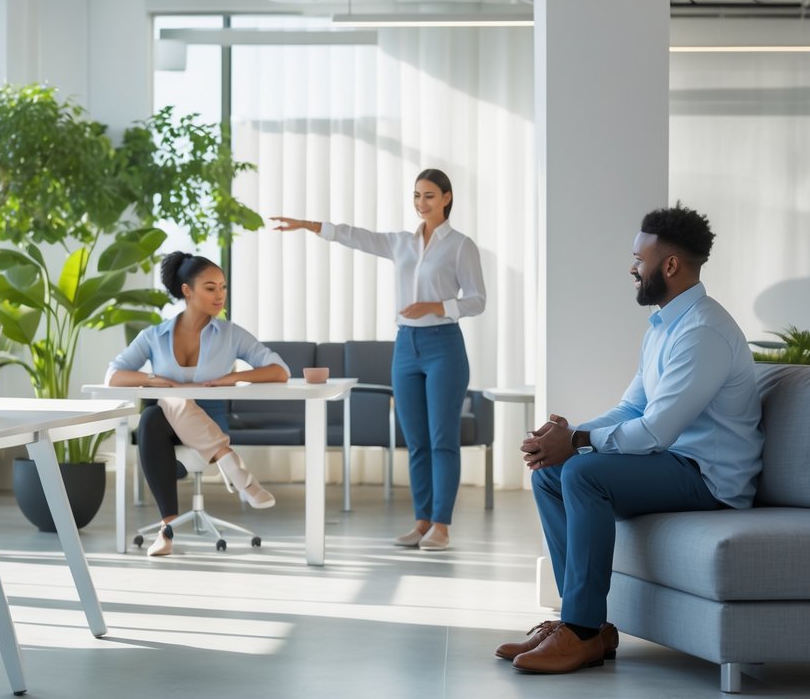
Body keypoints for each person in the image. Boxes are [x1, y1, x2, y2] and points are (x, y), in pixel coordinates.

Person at [500, 204, 763, 675]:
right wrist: (566, 435)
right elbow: (630, 409)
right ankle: (581, 624)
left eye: (639, 260)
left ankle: (581, 633)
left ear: (670, 266)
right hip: (673, 462)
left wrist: (578, 440)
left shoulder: (703, 331)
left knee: (582, 471)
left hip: (708, 478)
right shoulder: (665, 326)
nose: (632, 268)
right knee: (552, 473)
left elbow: (658, 429)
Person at [270, 168, 486, 551]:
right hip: (405, 346)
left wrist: (434, 305)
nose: (422, 203)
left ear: (447, 198)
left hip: (444, 346)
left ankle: (441, 525)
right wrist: (309, 225)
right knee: (415, 441)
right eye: (417, 195)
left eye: (430, 196)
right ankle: (421, 522)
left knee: (442, 440)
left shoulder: (460, 245)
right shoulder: (402, 242)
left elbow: (477, 300)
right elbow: (357, 237)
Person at [107, 251, 290, 557]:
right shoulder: (155, 335)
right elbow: (113, 375)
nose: (220, 295)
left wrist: (233, 378)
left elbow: (279, 370)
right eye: (210, 288)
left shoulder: (231, 334)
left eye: (223, 287)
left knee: (159, 408)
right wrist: (155, 380)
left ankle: (168, 529)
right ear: (187, 291)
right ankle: (229, 470)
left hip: (211, 422)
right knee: (157, 411)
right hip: (167, 432)